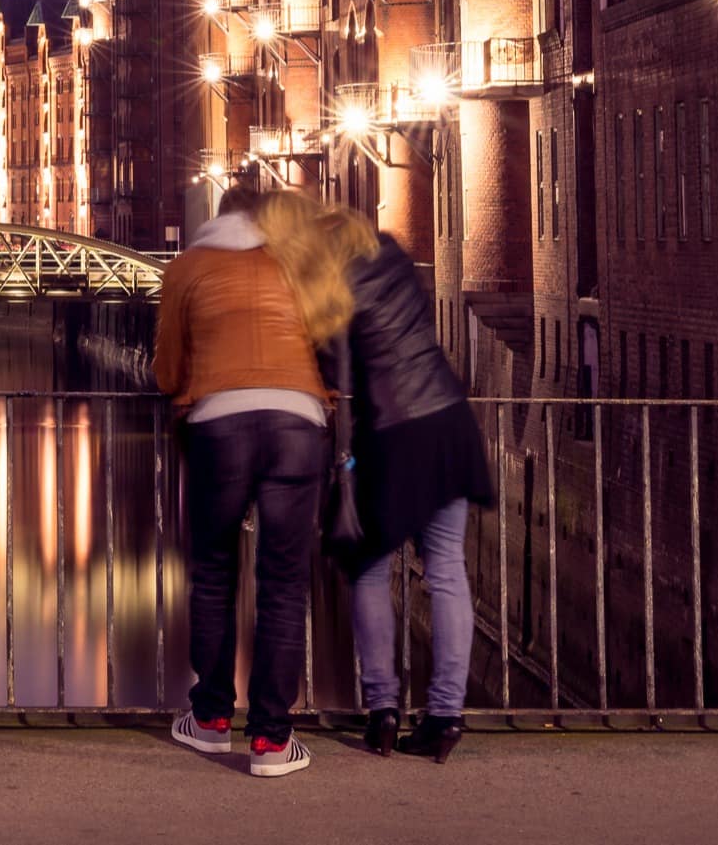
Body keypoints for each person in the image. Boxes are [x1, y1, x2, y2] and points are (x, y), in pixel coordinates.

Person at [254, 193, 493, 764]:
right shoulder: (392, 253)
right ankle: (446, 715)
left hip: (394, 432)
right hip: (449, 419)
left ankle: (383, 708)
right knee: (448, 570)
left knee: (366, 568)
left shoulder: (327, 289)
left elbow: (335, 376)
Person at [155, 182, 326, 778]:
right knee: (283, 582)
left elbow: (167, 367)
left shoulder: (188, 267)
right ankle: (272, 741)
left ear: (217, 218)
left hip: (219, 424)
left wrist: (187, 387)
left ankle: (211, 719)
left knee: (214, 572)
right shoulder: (296, 263)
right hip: (297, 424)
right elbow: (329, 341)